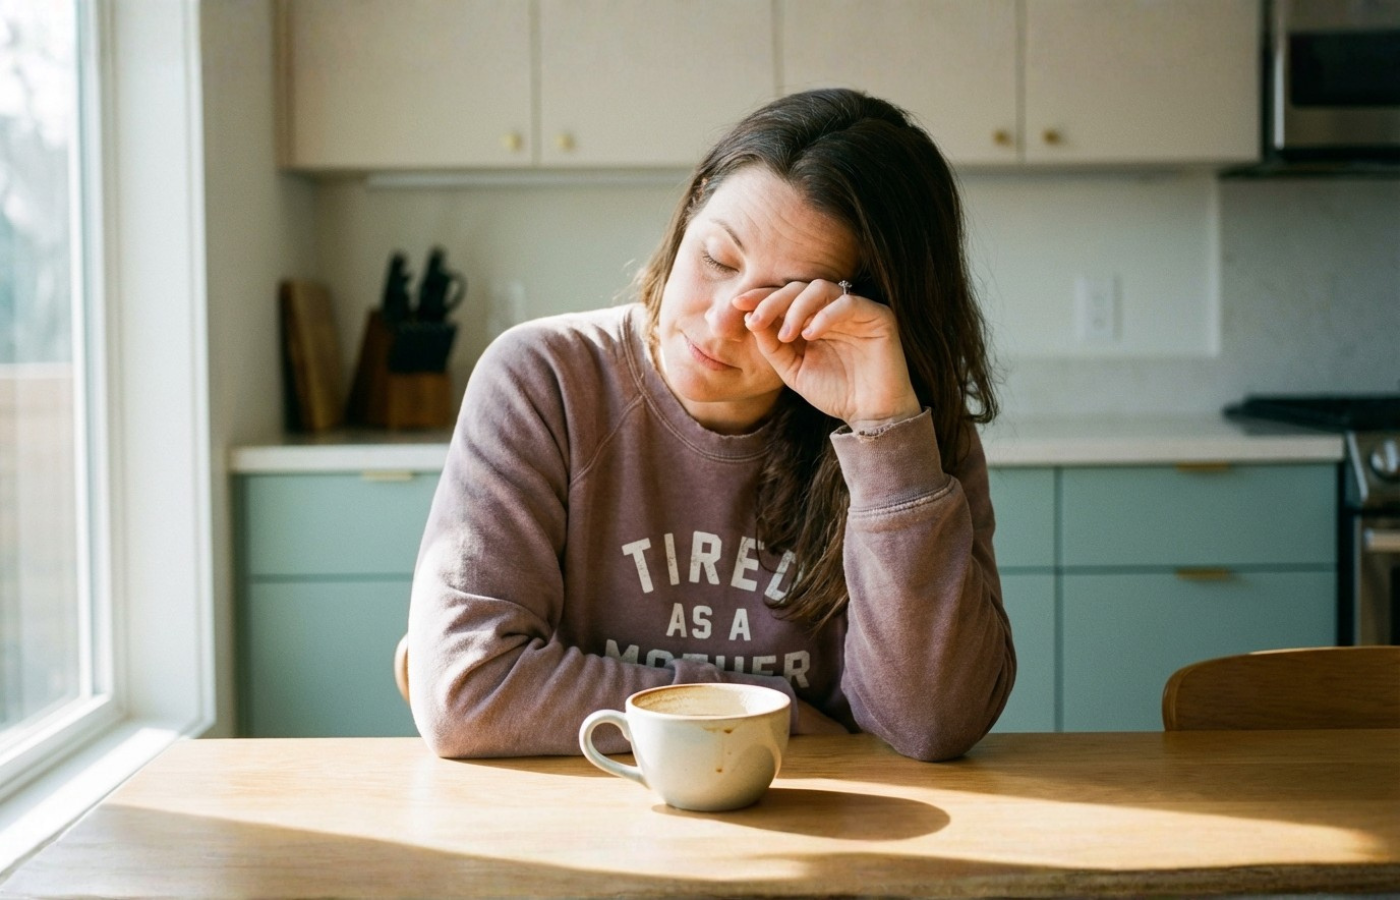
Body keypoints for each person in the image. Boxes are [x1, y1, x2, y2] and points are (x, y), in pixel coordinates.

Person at [407, 88, 1014, 763]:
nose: (723, 320)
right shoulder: (543, 380)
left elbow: (932, 723)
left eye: (782, 302)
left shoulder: (909, 428)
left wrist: (886, 435)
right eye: (718, 260)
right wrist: (762, 715)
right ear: (690, 212)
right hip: (596, 811)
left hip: (840, 816)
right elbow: (468, 689)